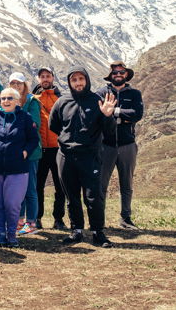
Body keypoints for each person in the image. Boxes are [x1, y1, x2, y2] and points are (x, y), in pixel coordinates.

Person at [49, 66, 117, 247]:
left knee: (93, 196)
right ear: (69, 82)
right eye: (74, 80)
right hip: (66, 156)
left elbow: (109, 132)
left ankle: (98, 232)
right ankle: (76, 230)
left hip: (90, 156)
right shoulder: (62, 102)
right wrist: (68, 140)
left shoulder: (97, 101)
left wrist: (108, 116)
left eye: (81, 79)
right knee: (71, 195)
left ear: (86, 80)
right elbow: (53, 125)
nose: (78, 83)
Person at [0, 54, 42, 235]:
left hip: (28, 153)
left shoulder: (31, 102)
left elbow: (35, 126)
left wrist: (17, 113)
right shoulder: (7, 101)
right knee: (17, 191)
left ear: (25, 86)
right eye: (13, 83)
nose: (16, 86)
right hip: (11, 154)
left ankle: (31, 222)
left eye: (19, 83)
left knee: (30, 188)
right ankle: (19, 221)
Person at [96, 61, 144, 230]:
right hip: (105, 145)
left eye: (121, 72)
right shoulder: (101, 93)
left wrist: (113, 112)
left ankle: (126, 218)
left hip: (127, 144)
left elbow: (137, 114)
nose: (118, 75)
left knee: (127, 184)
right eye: (115, 72)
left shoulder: (135, 94)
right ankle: (98, 220)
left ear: (126, 75)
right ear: (110, 75)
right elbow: (98, 115)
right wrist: (122, 117)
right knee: (101, 185)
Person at [32, 66, 67, 230]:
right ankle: (37, 218)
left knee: (60, 186)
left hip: (58, 148)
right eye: (42, 76)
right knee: (38, 185)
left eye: (48, 76)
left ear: (52, 78)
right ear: (39, 79)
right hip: (40, 149)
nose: (45, 79)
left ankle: (58, 219)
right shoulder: (33, 99)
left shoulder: (60, 98)